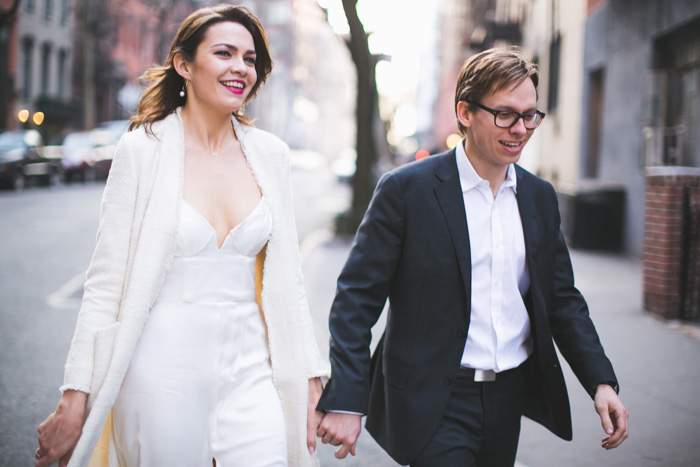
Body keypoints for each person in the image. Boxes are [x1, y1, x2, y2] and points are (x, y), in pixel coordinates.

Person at [35, 5, 328, 467]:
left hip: (252, 371)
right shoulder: (142, 150)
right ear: (184, 65)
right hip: (160, 373)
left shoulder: (271, 155)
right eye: (225, 53)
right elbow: (105, 284)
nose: (240, 68)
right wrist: (75, 398)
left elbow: (288, 279)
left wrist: (310, 374)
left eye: (250, 59)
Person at [315, 47, 629, 466]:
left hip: (508, 397)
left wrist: (600, 381)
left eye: (530, 115)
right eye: (505, 114)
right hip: (434, 398)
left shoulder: (539, 197)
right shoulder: (407, 191)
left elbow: (562, 300)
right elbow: (355, 300)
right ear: (465, 111)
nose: (520, 129)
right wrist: (348, 398)